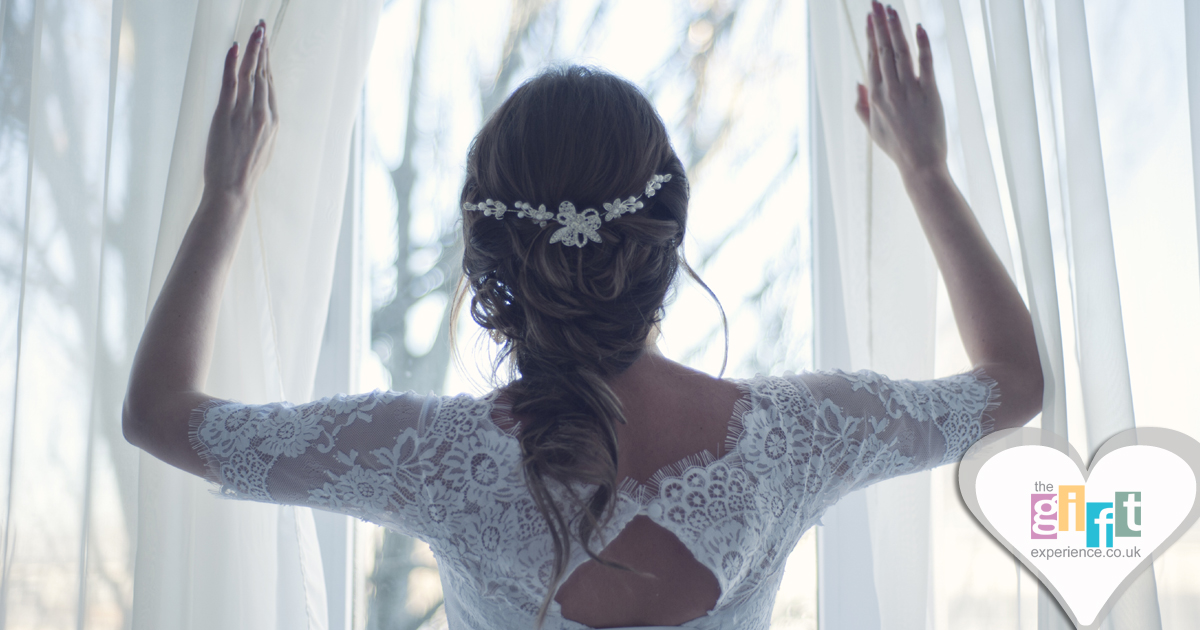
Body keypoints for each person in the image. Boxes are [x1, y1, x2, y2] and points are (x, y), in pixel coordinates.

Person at [123, 3, 1042, 629]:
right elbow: (1012, 384)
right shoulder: (795, 438)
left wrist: (226, 199)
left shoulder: (429, 457)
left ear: (490, 254)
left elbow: (159, 415)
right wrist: (926, 172)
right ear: (667, 231)